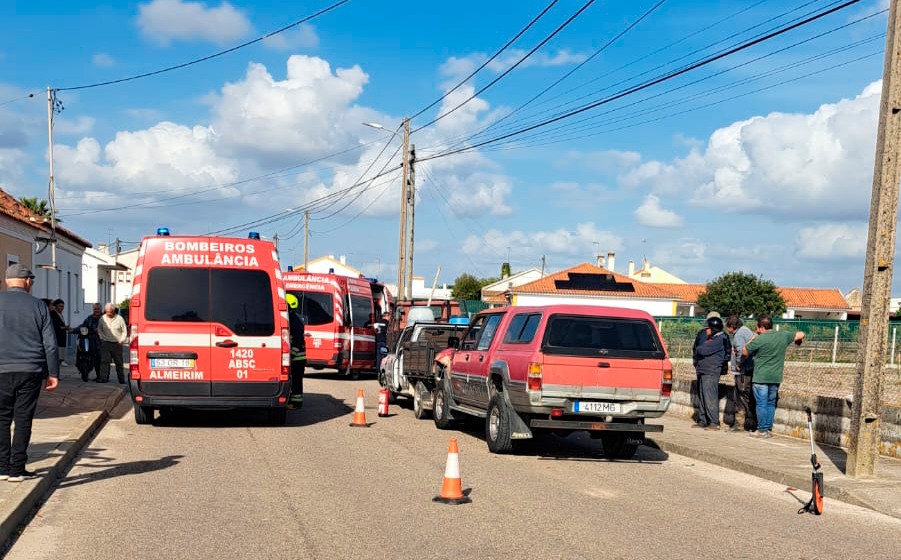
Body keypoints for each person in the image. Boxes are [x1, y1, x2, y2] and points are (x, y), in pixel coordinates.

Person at [0, 264, 59, 481]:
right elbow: (50, 343)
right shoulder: (39, 306)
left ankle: (2, 468)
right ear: (27, 282)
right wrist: (53, 373)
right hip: (30, 369)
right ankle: (17, 470)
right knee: (23, 419)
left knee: (2, 419)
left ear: (7, 281)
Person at [742, 316, 805, 439]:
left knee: (761, 403)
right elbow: (801, 333)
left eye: (757, 327)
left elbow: (744, 351)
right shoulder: (783, 335)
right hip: (775, 377)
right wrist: (798, 340)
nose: (756, 330)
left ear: (761, 327)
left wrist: (753, 338)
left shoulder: (759, 339)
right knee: (771, 403)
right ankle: (768, 429)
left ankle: (761, 430)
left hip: (761, 377)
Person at [692, 315, 731, 430]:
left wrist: (701, 347)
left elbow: (702, 350)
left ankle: (714, 422)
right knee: (703, 397)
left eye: (708, 328)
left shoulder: (720, 339)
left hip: (711, 371)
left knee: (710, 397)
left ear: (714, 329)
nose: (706, 330)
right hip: (704, 370)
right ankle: (703, 420)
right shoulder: (713, 338)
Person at [724, 316, 756, 432]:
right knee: (747, 396)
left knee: (741, 397)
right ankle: (748, 423)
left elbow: (741, 350)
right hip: (749, 369)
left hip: (743, 371)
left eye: (727, 326)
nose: (726, 329)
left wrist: (738, 363)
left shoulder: (739, 335)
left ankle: (742, 424)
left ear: (732, 326)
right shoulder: (746, 330)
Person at [97, 303, 128, 384]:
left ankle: (121, 380)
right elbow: (99, 329)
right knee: (104, 361)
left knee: (119, 363)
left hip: (117, 343)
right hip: (105, 342)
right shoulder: (102, 318)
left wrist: (121, 340)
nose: (108, 314)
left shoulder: (120, 319)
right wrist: (101, 337)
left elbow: (124, 331)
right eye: (106, 312)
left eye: (110, 312)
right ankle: (103, 378)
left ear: (113, 311)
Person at [286, 294, 306, 410]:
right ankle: (293, 401)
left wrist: (292, 355)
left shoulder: (295, 320)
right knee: (294, 380)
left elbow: (298, 341)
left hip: (297, 358)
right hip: (296, 357)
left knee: (296, 381)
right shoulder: (294, 318)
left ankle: (296, 403)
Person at [76, 304, 103, 382]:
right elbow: (83, 326)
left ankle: (100, 376)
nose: (96, 311)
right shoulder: (89, 318)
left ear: (100, 309)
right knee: (82, 352)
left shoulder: (104, 318)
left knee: (99, 359)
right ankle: (84, 370)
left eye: (98, 309)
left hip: (100, 341)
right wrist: (74, 329)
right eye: (95, 309)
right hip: (89, 340)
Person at [50, 299, 68, 367]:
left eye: (63, 306)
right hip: (57, 334)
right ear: (56, 306)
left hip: (62, 334)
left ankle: (62, 360)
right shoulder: (53, 314)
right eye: (60, 306)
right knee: (58, 347)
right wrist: (63, 328)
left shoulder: (60, 314)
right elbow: (55, 325)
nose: (62, 308)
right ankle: (60, 360)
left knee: (62, 347)